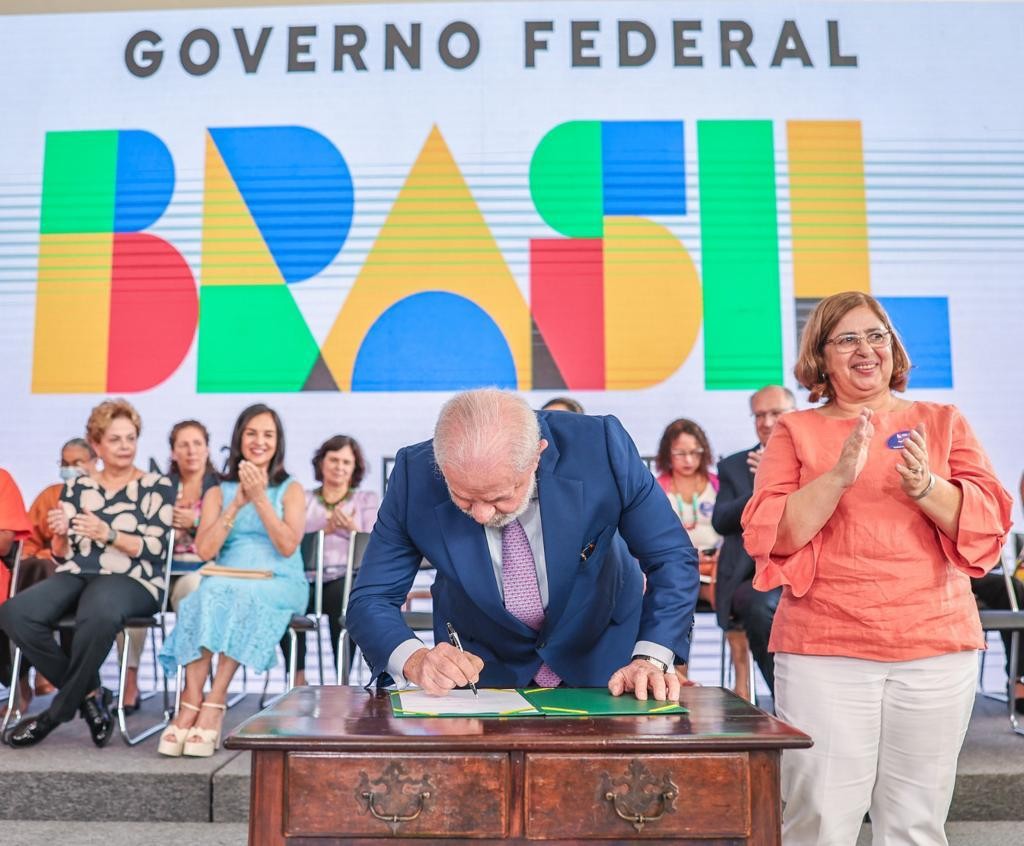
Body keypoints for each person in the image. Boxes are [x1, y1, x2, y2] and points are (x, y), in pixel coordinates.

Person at [742, 292, 1013, 845]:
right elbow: (773, 533)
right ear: (820, 356)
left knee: (916, 819)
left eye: (877, 335)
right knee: (820, 819)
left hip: (935, 647)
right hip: (826, 649)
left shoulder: (942, 421)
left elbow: (988, 521)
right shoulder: (795, 431)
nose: (866, 349)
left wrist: (927, 488)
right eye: (847, 339)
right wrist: (838, 475)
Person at [347, 388, 698, 701]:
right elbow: (371, 599)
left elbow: (671, 558)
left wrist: (651, 658)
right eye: (464, 498)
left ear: (536, 457)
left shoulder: (601, 448)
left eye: (500, 497)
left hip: (605, 659)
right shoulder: (414, 474)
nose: (482, 514)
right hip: (480, 673)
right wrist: (415, 659)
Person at [0, 400, 175, 748]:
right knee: (15, 613)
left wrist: (107, 533)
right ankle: (89, 695)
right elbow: (63, 553)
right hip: (80, 572)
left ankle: (54, 715)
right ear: (96, 445)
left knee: (98, 610)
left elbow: (155, 550)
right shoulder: (79, 485)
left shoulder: (157, 485)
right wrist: (61, 531)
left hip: (136, 577)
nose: (125, 446)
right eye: (115, 439)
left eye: (130, 438)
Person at [157, 404, 307, 757]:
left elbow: (287, 545)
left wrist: (260, 499)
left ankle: (215, 701)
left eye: (268, 435)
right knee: (200, 597)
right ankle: (190, 699)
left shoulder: (291, 488)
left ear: (278, 442)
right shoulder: (218, 490)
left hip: (279, 578)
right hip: (226, 573)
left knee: (241, 596)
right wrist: (236, 505)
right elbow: (207, 549)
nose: (259, 441)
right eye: (252, 433)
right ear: (239, 438)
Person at [119, 420, 219, 713]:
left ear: (207, 448)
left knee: (192, 594)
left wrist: (195, 522)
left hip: (200, 568)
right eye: (183, 445)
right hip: (160, 566)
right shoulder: (159, 486)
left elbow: (222, 538)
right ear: (173, 452)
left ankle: (191, 687)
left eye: (197, 443)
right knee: (127, 599)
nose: (191, 451)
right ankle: (130, 683)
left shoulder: (219, 488)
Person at [711, 386, 795, 700]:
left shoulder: (812, 458)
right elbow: (721, 520)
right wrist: (763, 486)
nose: (768, 422)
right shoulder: (733, 466)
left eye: (776, 413)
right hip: (754, 575)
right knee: (760, 608)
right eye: (760, 415)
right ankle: (786, 700)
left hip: (809, 568)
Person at [282, 435, 378, 686]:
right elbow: (290, 539)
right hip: (307, 580)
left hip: (343, 579)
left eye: (346, 462)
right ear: (321, 463)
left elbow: (376, 545)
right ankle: (297, 678)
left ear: (355, 468)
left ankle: (343, 681)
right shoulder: (303, 498)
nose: (339, 466)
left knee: (345, 600)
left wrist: (352, 529)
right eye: (334, 459)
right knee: (283, 601)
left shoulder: (365, 500)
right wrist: (323, 528)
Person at [6, 440, 97, 706]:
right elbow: (27, 543)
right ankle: (32, 675)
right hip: (50, 575)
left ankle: (51, 671)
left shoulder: (106, 495)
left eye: (77, 464)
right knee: (39, 570)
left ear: (94, 462)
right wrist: (49, 556)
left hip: (93, 576)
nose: (70, 470)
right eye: (65, 464)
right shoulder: (51, 495)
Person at [654, 419, 722, 607]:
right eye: (680, 453)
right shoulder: (655, 488)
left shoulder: (719, 484)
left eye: (694, 452)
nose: (689, 460)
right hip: (674, 568)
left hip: (716, 568)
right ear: (667, 453)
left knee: (728, 592)